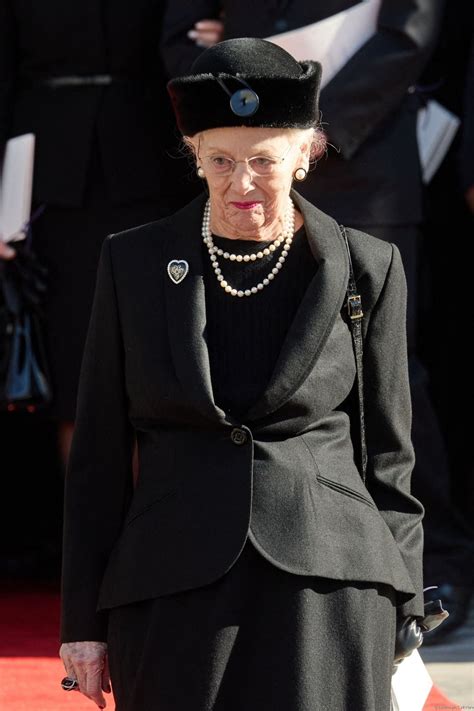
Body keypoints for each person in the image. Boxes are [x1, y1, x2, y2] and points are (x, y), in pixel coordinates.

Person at [59, 38, 426, 711]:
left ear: (304, 157)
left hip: (331, 587)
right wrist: (82, 624)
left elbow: (388, 458)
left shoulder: (368, 267)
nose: (242, 183)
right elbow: (99, 459)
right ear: (194, 156)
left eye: (264, 161)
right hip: (171, 584)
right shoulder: (133, 264)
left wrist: (405, 603)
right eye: (221, 160)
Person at [0, 0, 197, 471]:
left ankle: (155, 532)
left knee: (154, 363)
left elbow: (186, 33)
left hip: (158, 169)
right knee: (76, 367)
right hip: (51, 184)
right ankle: (90, 536)